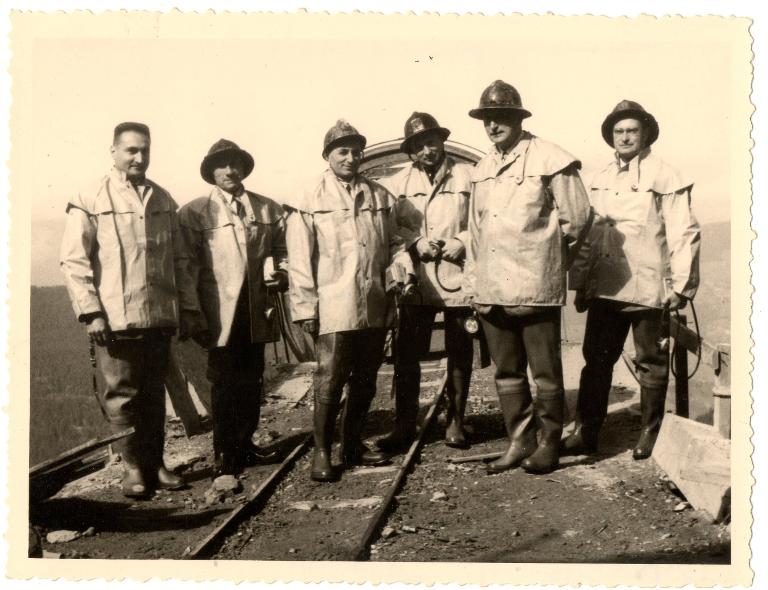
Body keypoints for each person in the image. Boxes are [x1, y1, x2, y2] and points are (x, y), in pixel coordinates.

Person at [60, 122, 200, 498]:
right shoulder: (89, 197)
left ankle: (157, 464)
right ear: (114, 151)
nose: (139, 158)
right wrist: (92, 313)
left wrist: (185, 308)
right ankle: (134, 469)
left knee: (154, 394)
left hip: (157, 316)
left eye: (145, 151)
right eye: (131, 151)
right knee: (122, 395)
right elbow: (74, 261)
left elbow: (181, 260)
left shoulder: (163, 199)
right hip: (115, 320)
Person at [463, 80, 592, 475]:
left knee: (546, 373)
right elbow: (475, 231)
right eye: (487, 119)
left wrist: (546, 256)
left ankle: (550, 443)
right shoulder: (482, 169)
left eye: (502, 117)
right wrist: (474, 283)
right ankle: (520, 441)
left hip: (535, 286)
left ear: (519, 118)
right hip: (492, 288)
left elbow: (579, 218)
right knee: (506, 372)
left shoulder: (551, 158)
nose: (493, 126)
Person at [562, 100, 700, 460]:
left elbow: (683, 232)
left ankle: (650, 433)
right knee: (596, 360)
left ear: (646, 134)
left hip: (648, 286)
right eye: (618, 131)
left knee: (650, 362)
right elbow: (588, 234)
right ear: (611, 136)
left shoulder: (666, 175)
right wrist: (581, 282)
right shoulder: (601, 178)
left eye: (632, 130)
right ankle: (586, 432)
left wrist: (681, 286)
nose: (624, 137)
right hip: (606, 287)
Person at [286, 119, 413, 482]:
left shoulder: (378, 196)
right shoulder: (308, 199)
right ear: (327, 156)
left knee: (366, 379)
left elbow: (394, 244)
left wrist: (400, 269)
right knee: (330, 379)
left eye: (356, 151)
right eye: (342, 151)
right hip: (334, 307)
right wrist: (305, 308)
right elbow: (299, 260)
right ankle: (323, 453)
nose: (351, 157)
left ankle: (353, 444)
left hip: (373, 302)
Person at [178, 139, 289, 478]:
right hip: (218, 312)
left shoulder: (268, 209)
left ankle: (246, 443)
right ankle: (225, 452)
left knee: (252, 378)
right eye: (222, 164)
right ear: (211, 172)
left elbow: (283, 248)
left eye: (235, 163)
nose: (230, 170)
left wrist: (282, 271)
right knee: (224, 380)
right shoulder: (194, 213)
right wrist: (192, 312)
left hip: (257, 309)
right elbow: (186, 266)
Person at [376, 112, 475, 453]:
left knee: (460, 351)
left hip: (456, 277)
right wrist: (414, 242)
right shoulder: (396, 185)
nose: (427, 150)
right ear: (411, 151)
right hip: (416, 281)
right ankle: (404, 424)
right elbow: (388, 230)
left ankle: (456, 422)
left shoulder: (469, 176)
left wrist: (461, 240)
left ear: (442, 141)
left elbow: (482, 220)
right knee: (406, 354)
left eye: (432, 141)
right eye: (419, 145)